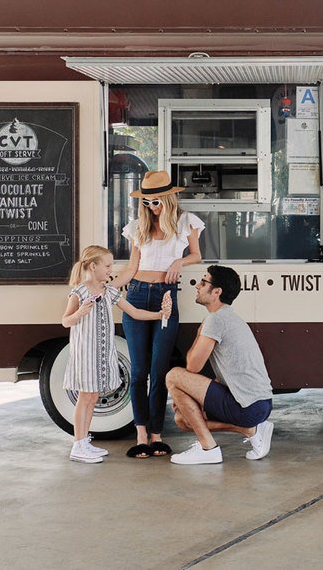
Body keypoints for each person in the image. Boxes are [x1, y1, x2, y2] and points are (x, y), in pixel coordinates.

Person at [121, 170, 204, 459]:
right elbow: (131, 269)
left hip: (166, 296)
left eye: (155, 202)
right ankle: (141, 433)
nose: (151, 208)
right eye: (146, 202)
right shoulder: (137, 228)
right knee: (138, 372)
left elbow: (197, 255)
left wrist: (179, 262)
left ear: (168, 199)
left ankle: (157, 434)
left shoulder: (186, 222)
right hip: (136, 294)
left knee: (159, 371)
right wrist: (104, 286)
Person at [61, 245, 171, 464]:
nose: (111, 270)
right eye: (108, 265)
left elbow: (134, 312)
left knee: (92, 397)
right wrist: (80, 312)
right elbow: (65, 321)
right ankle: (78, 444)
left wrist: (160, 314)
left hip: (101, 354)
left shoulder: (110, 292)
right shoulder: (79, 292)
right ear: (93, 266)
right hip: (85, 354)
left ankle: (84, 442)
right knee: (85, 397)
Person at [166, 265, 274, 465]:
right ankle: (249, 430)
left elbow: (192, 367)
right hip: (259, 405)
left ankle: (209, 448)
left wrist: (199, 333)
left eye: (204, 282)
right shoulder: (228, 317)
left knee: (173, 376)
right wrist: (189, 398)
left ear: (217, 292)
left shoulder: (216, 320)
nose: (198, 285)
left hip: (249, 407)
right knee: (182, 419)